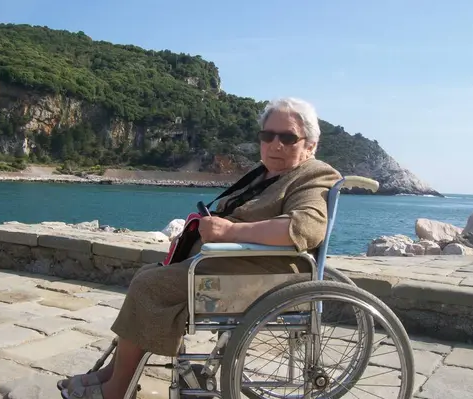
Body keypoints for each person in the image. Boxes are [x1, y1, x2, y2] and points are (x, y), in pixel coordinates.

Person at [60, 97, 342, 399]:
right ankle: (113, 374)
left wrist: (231, 230)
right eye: (267, 135)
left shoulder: (313, 175)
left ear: (310, 144)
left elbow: (306, 227)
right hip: (227, 265)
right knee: (148, 276)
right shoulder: (268, 174)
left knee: (149, 287)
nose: (275, 144)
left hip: (256, 275)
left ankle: (116, 390)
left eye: (287, 137)